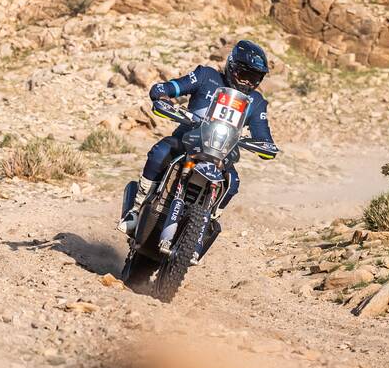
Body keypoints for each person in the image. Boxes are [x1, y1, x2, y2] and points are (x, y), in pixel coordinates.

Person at [118, 39, 277, 240]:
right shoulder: (206, 76)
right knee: (160, 152)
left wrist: (266, 146)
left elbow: (263, 135)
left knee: (233, 182)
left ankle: (206, 222)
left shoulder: (257, 102)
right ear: (232, 67)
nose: (248, 82)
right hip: (187, 139)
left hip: (223, 153)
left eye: (254, 79)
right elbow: (167, 88)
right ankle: (136, 208)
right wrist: (164, 96)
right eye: (244, 75)